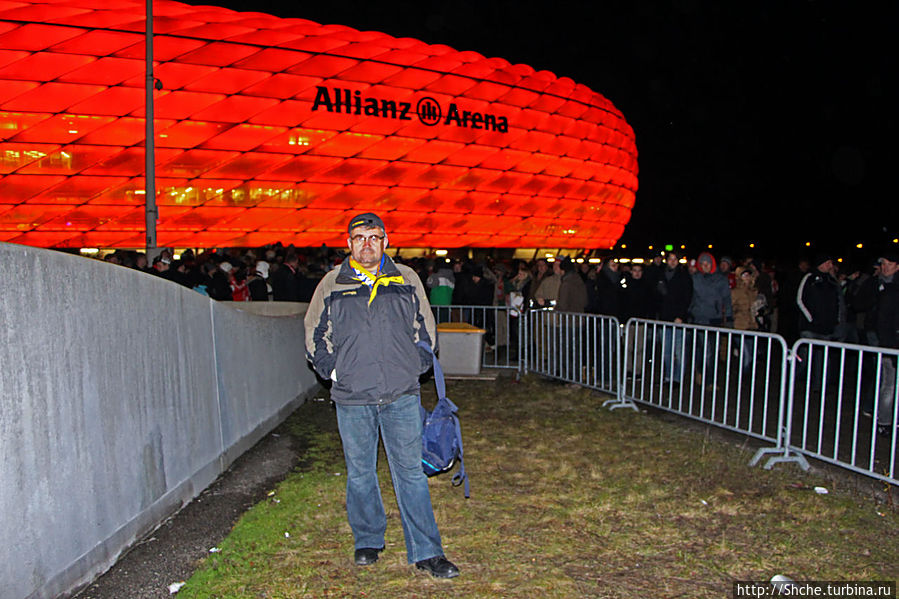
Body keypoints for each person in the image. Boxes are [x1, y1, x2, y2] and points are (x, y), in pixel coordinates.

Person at [303, 212, 459, 579]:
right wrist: (333, 370)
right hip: (353, 396)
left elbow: (425, 329)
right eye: (360, 238)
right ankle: (368, 539)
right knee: (360, 474)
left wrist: (414, 365)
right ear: (349, 243)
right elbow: (314, 334)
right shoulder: (331, 284)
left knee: (410, 475)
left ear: (386, 241)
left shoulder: (406, 279)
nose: (367, 244)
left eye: (374, 237)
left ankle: (427, 551)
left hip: (400, 394)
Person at [655, 251, 693, 383]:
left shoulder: (684, 276)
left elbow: (687, 298)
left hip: (678, 319)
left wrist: (681, 316)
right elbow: (657, 297)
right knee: (666, 351)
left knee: (679, 351)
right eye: (670, 259)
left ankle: (678, 378)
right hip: (664, 318)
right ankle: (668, 376)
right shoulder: (661, 275)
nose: (672, 261)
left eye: (675, 259)